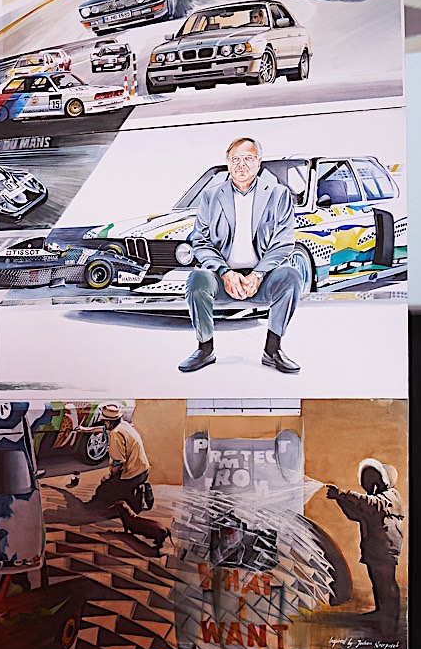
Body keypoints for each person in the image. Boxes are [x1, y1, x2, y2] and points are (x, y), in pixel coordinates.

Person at [178, 136, 304, 374]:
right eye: (235, 159)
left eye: (248, 158)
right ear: (227, 162)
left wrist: (258, 274)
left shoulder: (278, 195)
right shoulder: (211, 196)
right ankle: (205, 349)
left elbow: (284, 242)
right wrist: (225, 273)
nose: (241, 165)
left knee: (291, 276)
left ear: (259, 162)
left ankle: (272, 350)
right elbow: (201, 241)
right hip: (221, 278)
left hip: (263, 278)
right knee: (197, 280)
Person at [327, 459, 404, 631]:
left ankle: (390, 618)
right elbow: (356, 513)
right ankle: (382, 613)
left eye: (372, 478)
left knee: (386, 582)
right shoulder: (379, 499)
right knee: (378, 582)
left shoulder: (390, 497)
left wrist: (341, 494)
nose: (368, 483)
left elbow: (368, 504)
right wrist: (340, 499)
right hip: (376, 549)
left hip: (384, 550)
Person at [86, 402, 165, 551]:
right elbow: (105, 430)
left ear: (108, 422)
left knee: (105, 489)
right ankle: (137, 496)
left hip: (132, 474)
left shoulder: (116, 435)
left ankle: (94, 510)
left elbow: (118, 462)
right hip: (143, 470)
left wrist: (110, 477)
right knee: (119, 489)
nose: (104, 424)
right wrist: (87, 430)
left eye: (104, 421)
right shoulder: (124, 425)